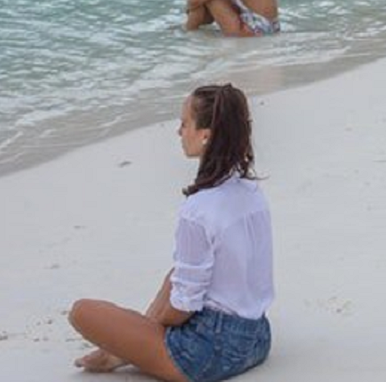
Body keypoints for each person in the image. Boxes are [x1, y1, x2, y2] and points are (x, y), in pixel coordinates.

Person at [68, 84, 275, 382]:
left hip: (209, 351)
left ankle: (124, 351)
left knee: (82, 312)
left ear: (206, 134)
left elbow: (183, 307)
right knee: (177, 272)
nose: (179, 132)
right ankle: (129, 347)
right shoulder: (252, 192)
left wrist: (149, 329)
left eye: (184, 124)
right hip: (257, 338)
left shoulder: (198, 209)